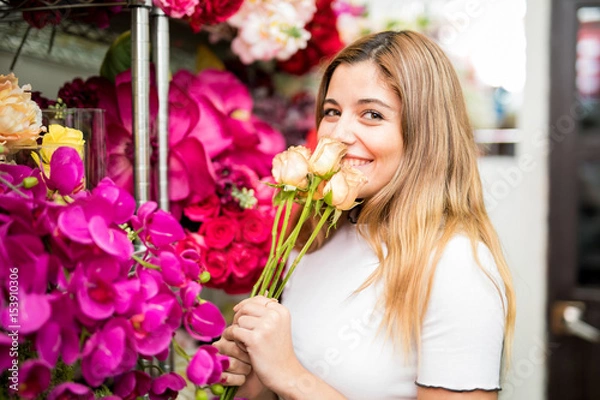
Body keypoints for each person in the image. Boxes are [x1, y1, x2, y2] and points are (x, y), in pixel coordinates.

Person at [213, 29, 516, 400]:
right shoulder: (315, 238)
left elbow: (294, 378)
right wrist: (254, 374)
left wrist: (292, 376)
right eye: (332, 111)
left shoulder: (455, 265)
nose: (338, 133)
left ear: (425, 135)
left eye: (371, 114)